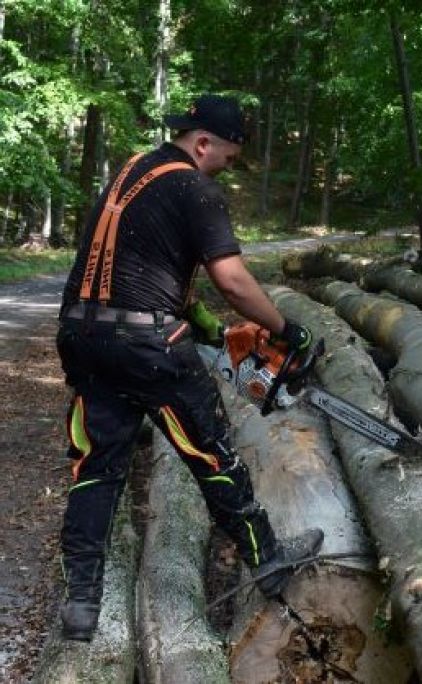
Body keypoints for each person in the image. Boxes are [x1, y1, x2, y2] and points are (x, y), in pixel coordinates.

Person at [54, 94, 323, 642]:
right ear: (203, 143)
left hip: (83, 334)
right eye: (228, 156)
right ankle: (268, 559)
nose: (227, 168)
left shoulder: (132, 171)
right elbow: (233, 281)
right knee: (212, 449)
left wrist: (202, 323)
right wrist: (286, 329)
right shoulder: (194, 188)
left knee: (96, 465)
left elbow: (140, 263)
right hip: (146, 346)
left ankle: (80, 605)